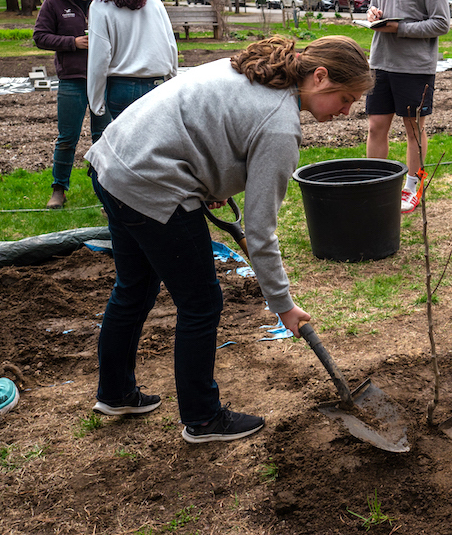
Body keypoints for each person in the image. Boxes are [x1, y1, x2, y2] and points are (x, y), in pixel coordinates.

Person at [84, 35, 372, 443]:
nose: (346, 112)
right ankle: (203, 420)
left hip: (112, 161)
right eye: (346, 99)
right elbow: (260, 233)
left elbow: (206, 128)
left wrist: (209, 183)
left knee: (134, 287)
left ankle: (116, 393)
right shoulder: (280, 126)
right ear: (320, 77)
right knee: (201, 303)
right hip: (151, 182)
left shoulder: (257, 69)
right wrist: (283, 305)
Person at [365, 0, 450, 213]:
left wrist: (398, 28)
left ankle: (414, 185)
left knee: (414, 129)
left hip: (414, 68)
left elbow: (441, 23)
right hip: (380, 63)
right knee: (376, 127)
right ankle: (375, 185)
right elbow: (376, 8)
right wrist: (373, 14)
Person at [33, 0, 111, 210]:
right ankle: (59, 190)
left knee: (104, 137)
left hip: (102, 80)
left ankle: (106, 191)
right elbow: (40, 36)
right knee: (67, 138)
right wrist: (72, 42)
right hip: (72, 80)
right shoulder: (53, 4)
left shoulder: (103, 1)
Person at [87, 0, 178, 120]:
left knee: (129, 145)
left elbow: (99, 57)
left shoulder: (100, 7)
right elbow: (170, 43)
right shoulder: (152, 0)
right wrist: (173, 79)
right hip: (157, 84)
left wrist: (95, 101)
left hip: (123, 88)